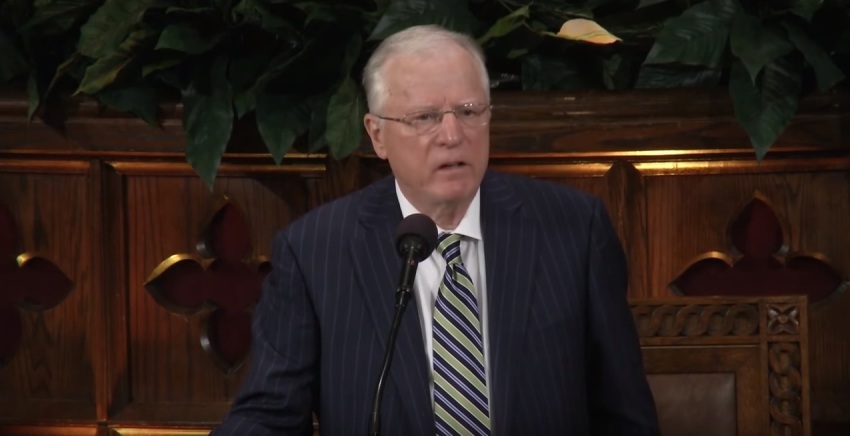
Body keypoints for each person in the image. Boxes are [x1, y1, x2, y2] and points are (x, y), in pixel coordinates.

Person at [212, 24, 658, 435]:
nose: (452, 134)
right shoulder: (314, 251)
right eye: (424, 117)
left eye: (468, 111)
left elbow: (625, 415)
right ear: (377, 135)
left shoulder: (574, 230)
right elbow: (269, 415)